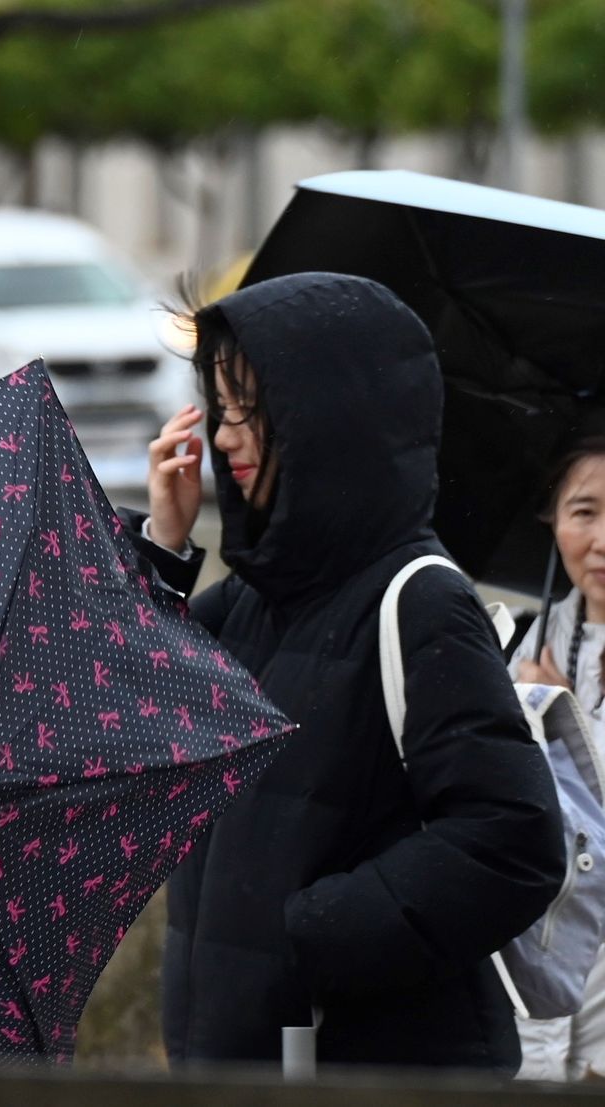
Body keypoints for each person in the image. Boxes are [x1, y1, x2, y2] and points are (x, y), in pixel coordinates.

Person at [133, 270, 564, 1071]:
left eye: (248, 411)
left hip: (372, 1069)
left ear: (325, 419)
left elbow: (514, 839)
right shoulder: (255, 599)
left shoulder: (420, 601)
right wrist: (164, 543)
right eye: (219, 410)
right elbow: (137, 724)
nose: (224, 438)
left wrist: (318, 930)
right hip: (244, 1063)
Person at [508, 437, 605, 1080]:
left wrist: (571, 724)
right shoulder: (518, 641)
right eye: (585, 512)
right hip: (538, 943)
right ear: (552, 521)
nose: (601, 540)